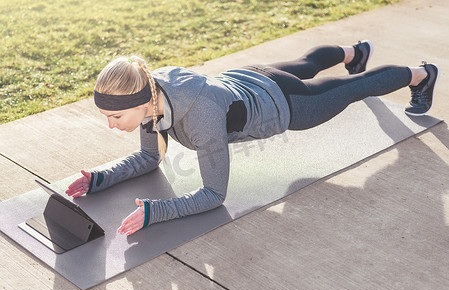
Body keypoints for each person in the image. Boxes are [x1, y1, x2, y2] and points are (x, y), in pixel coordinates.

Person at [65, 40, 440, 236]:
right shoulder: (152, 94)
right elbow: (150, 159)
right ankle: (355, 50)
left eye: (116, 116)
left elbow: (214, 195)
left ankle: (421, 74)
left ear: (143, 102)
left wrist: (156, 211)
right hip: (250, 77)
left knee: (352, 87)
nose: (111, 125)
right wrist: (99, 178)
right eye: (106, 116)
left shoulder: (201, 117)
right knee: (308, 63)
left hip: (288, 106)